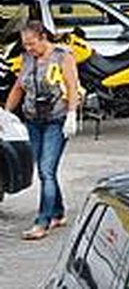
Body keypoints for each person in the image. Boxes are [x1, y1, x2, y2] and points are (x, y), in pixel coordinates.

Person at [3, 21, 80, 241]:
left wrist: (72, 115)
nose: (28, 48)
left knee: (46, 170)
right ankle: (58, 212)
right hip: (33, 121)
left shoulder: (62, 56)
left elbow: (72, 86)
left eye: (31, 43)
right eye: (25, 44)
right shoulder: (28, 58)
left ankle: (42, 222)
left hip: (57, 120)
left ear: (43, 37)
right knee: (46, 170)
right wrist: (7, 113)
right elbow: (19, 86)